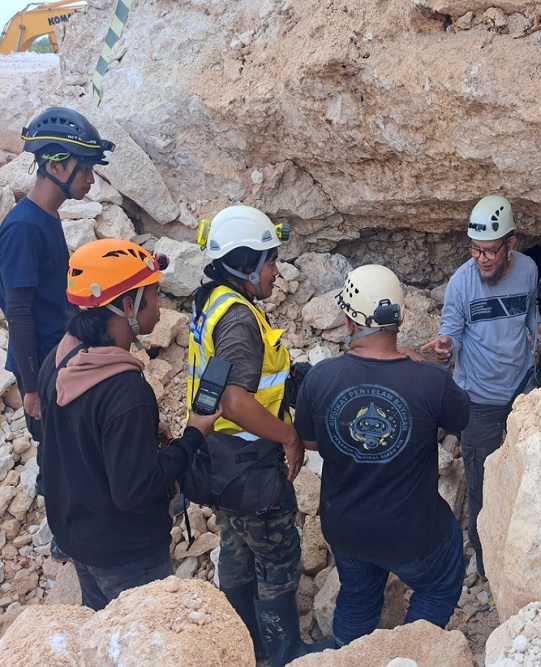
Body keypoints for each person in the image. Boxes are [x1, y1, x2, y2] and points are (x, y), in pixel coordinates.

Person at [37, 239, 220, 611]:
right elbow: (135, 490)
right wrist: (193, 436)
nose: (160, 305)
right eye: (153, 295)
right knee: (141, 641)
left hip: (79, 537)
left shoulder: (58, 361)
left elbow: (62, 440)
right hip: (127, 553)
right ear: (126, 306)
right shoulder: (126, 393)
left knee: (106, 637)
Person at [295, 264, 470, 647]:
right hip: (413, 534)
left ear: (349, 321)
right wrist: (418, 364)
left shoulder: (320, 378)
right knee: (440, 583)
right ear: (400, 320)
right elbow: (460, 419)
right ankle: (411, 650)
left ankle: (348, 654)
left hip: (347, 529)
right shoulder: (429, 381)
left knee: (357, 597)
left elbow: (308, 442)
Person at [188, 204, 327, 666]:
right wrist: (288, 435)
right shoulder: (239, 319)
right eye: (269, 260)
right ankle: (282, 650)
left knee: (236, 547)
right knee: (278, 555)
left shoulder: (213, 301)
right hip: (250, 462)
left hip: (221, 458)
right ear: (243, 264)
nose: (276, 270)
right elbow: (234, 399)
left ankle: (242, 643)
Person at [421, 194, 541, 579]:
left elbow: (529, 310)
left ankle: (526, 548)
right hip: (477, 402)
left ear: (510, 243)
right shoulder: (462, 283)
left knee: (526, 475)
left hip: (522, 395)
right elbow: (451, 333)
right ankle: (488, 562)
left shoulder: (528, 269)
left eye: (490, 251)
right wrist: (446, 348)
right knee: (481, 484)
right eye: (475, 250)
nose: (481, 259)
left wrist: (539, 329)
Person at [0, 107, 114, 443]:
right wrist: (33, 388)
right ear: (54, 166)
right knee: (57, 462)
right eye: (86, 170)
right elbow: (18, 312)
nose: (91, 180)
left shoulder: (44, 218)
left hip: (61, 356)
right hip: (46, 366)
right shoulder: (23, 227)